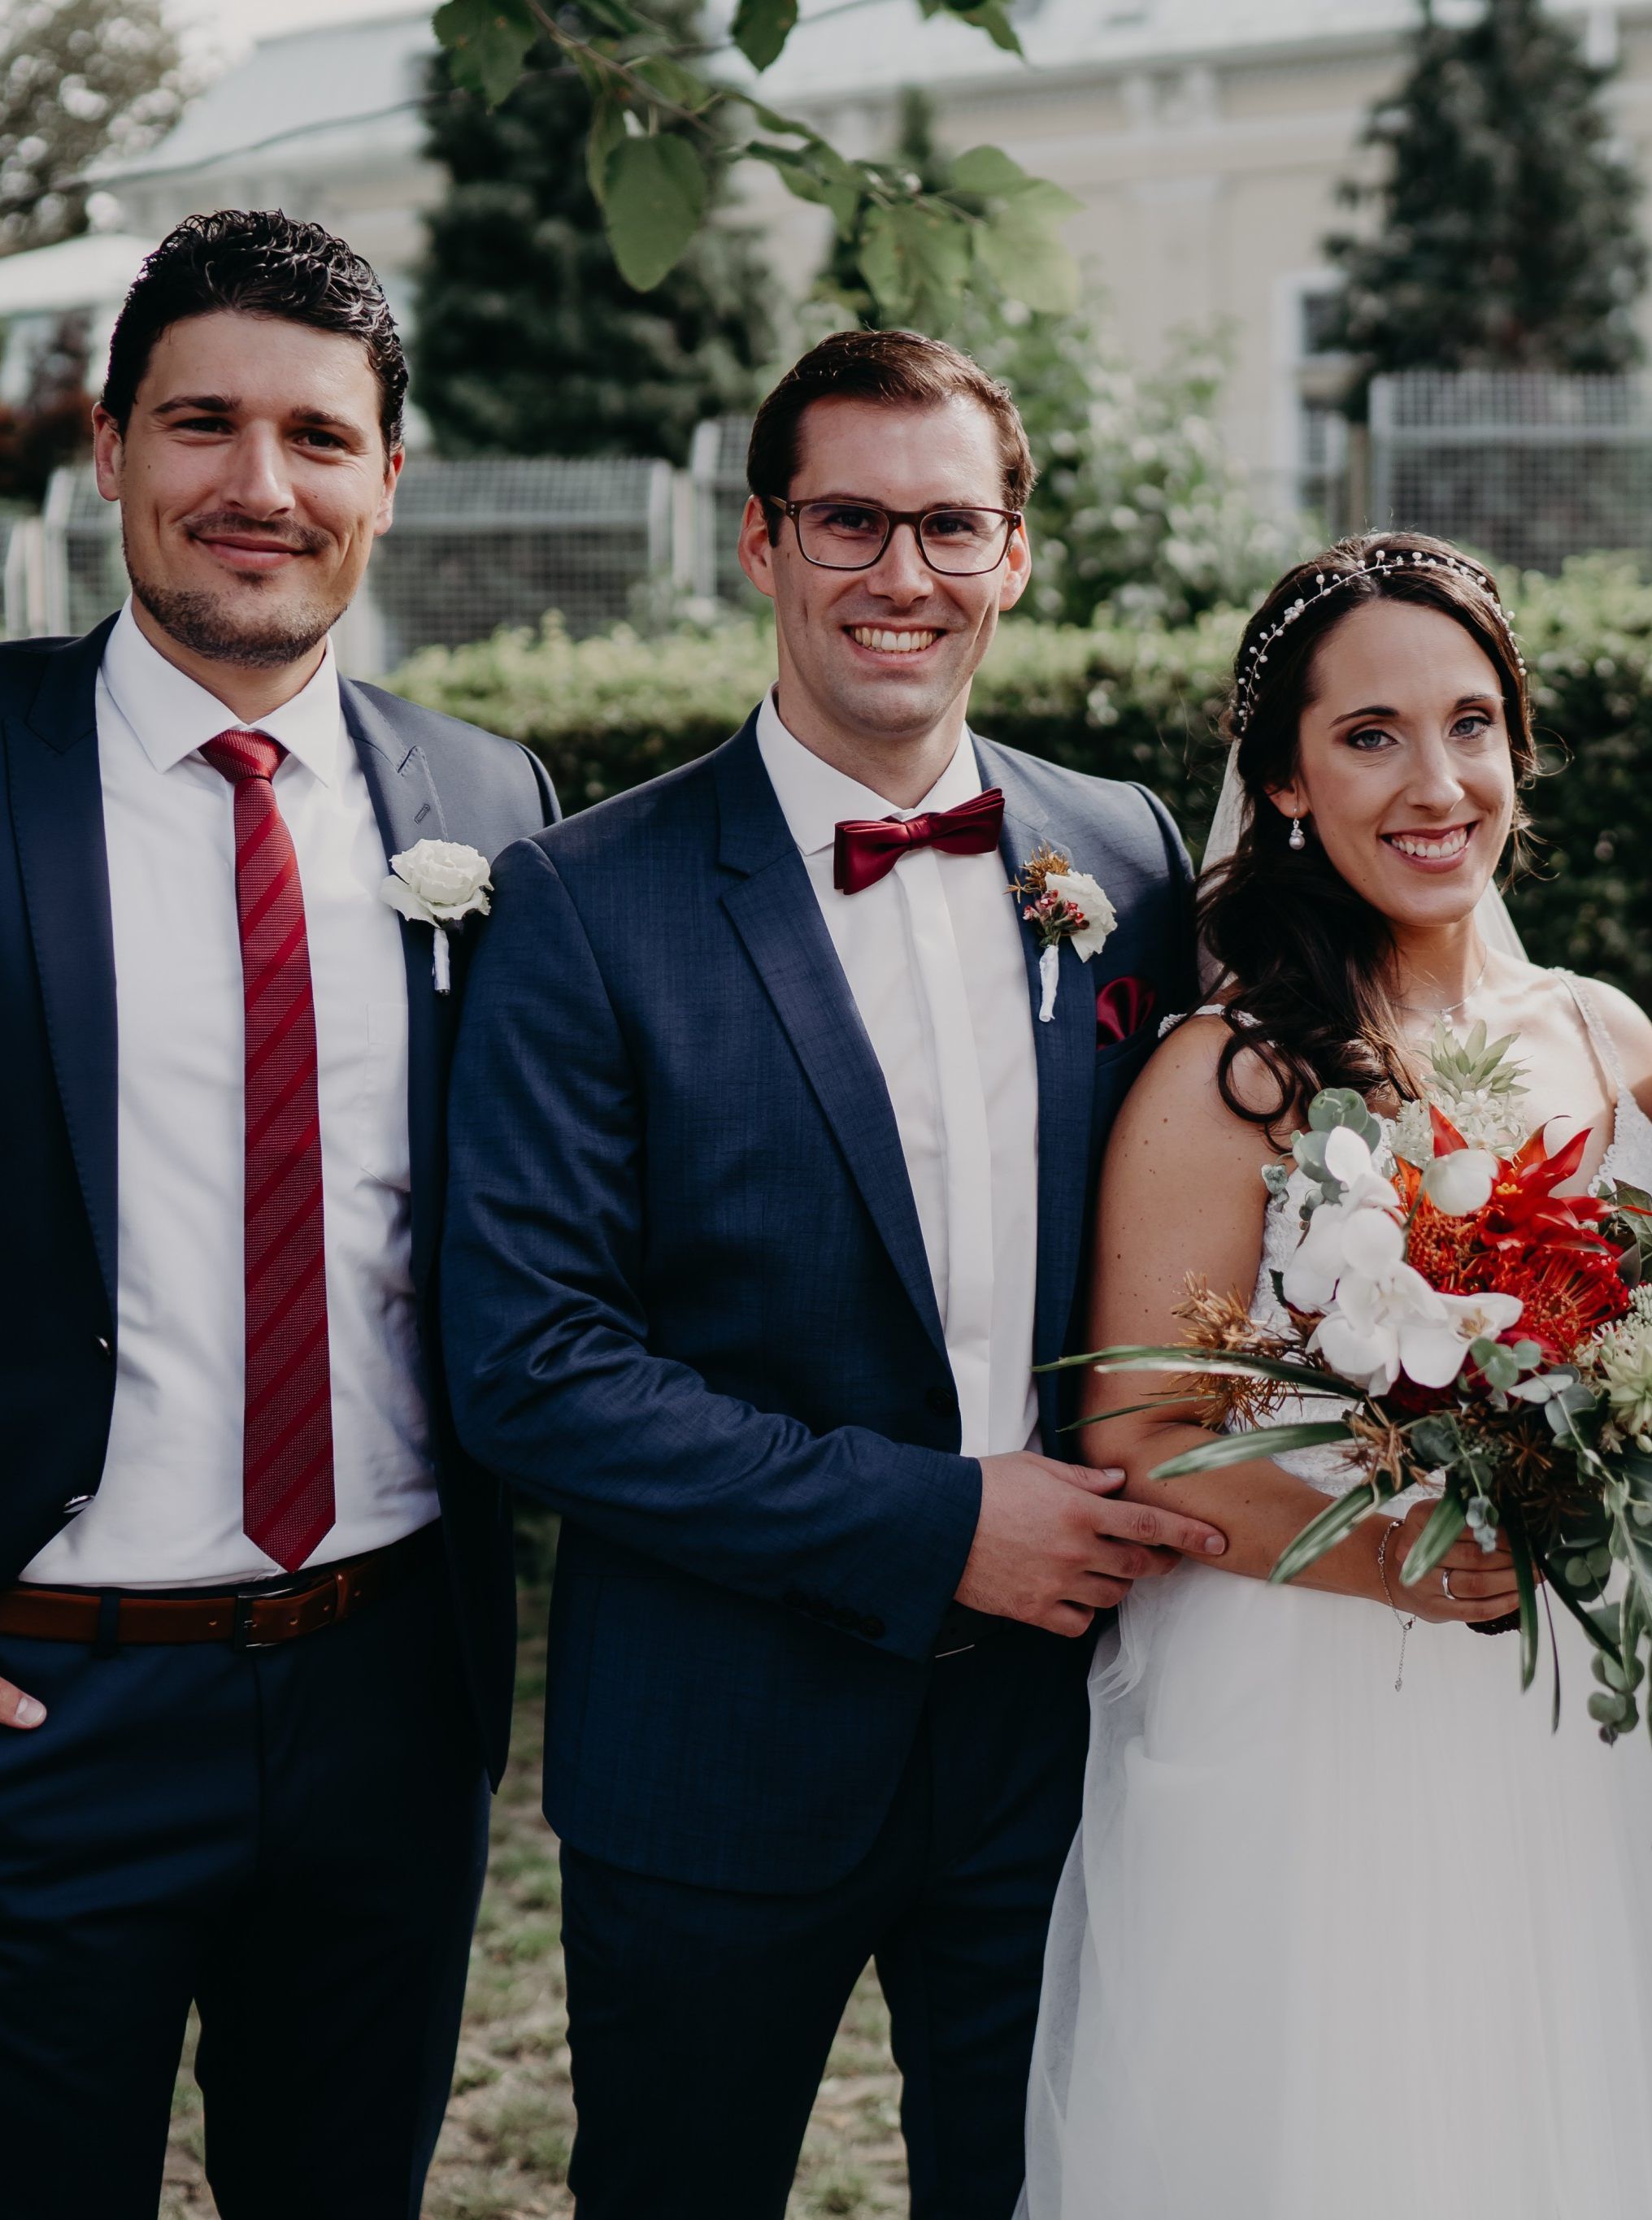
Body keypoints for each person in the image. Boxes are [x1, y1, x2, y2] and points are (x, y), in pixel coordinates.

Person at [1021, 532, 1652, 2220]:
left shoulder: (1603, 1034)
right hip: (1323, 1718)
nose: (1437, 782)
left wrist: (1644, 1431)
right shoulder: (1232, 1076)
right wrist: (1383, 1552)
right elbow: (1134, 1428)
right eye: (1369, 736)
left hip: (1597, 1715)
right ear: (1281, 777)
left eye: (1473, 724)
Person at [440, 328, 1213, 2219]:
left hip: (1062, 1739)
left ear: (1014, 557)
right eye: (849, 522)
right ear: (761, 545)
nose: (901, 576)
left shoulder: (1125, 851)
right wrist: (937, 1522)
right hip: (715, 1745)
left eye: (950, 527)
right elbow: (533, 1365)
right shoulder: (583, 898)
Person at [0, 211, 556, 2218]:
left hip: (386, 1696)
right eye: (203, 425)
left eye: (318, 438)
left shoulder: (491, 809)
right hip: (45, 1696)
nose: (260, 486)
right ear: (111, 449)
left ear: (387, 479)